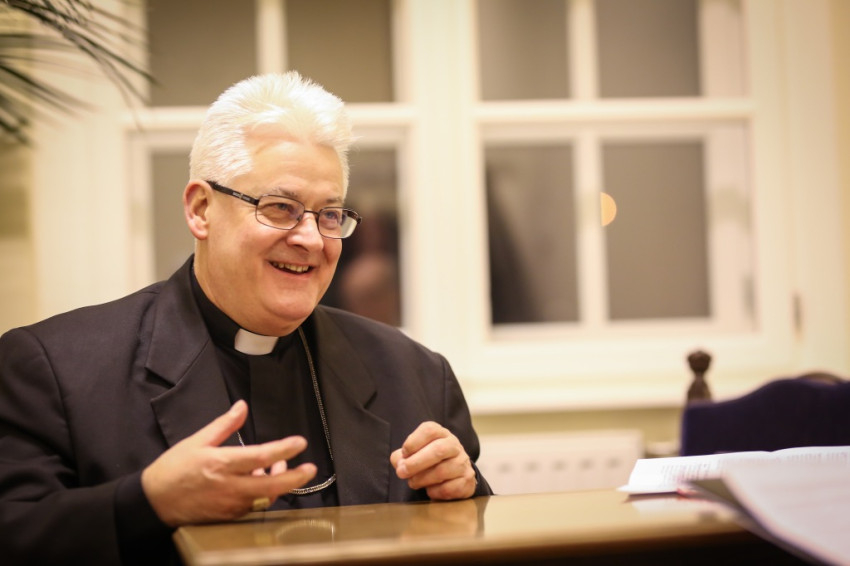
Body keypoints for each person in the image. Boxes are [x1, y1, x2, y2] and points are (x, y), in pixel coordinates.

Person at [0, 71, 491, 565]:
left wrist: (461, 493)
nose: (311, 239)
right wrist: (148, 503)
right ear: (200, 210)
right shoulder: (54, 369)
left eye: (329, 215)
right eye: (280, 208)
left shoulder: (416, 374)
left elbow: (480, 542)